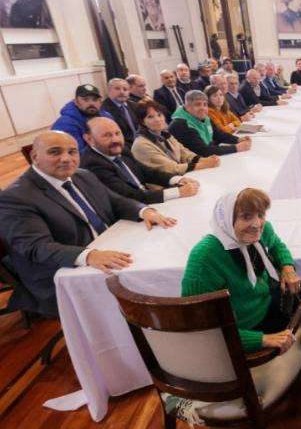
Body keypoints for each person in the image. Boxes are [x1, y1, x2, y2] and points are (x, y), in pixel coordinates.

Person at [0, 131, 176, 316]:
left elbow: (116, 201)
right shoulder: (16, 197)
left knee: (162, 257)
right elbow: (37, 248)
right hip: (63, 272)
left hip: (107, 247)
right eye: (55, 152)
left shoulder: (83, 175)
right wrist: (89, 255)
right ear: (34, 157)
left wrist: (143, 211)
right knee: (154, 285)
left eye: (72, 152)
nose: (67, 159)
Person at [182, 188, 301, 369]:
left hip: (265, 301)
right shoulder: (205, 257)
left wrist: (287, 268)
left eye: (261, 215)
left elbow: (277, 245)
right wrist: (260, 340)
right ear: (227, 219)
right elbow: (202, 328)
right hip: (244, 328)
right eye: (246, 217)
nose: (257, 224)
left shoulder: (261, 230)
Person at [81, 117, 199, 204]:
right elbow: (129, 195)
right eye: (107, 135)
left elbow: (145, 172)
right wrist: (178, 192)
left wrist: (178, 179)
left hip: (147, 201)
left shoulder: (121, 149)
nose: (115, 139)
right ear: (89, 139)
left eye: (117, 133)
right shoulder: (93, 164)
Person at [131, 99, 220, 175]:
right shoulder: (141, 145)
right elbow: (171, 168)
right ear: (142, 122)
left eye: (159, 115)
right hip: (164, 186)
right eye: (150, 117)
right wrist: (204, 164)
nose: (157, 119)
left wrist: (203, 160)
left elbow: (184, 152)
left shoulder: (164, 134)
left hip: (182, 177)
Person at [169, 90, 251, 157]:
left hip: (208, 156)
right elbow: (203, 151)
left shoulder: (203, 117)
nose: (202, 108)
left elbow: (218, 134)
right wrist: (236, 148)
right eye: (197, 104)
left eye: (205, 104)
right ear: (187, 107)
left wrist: (237, 139)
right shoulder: (180, 125)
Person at [52, 84, 114, 152]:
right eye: (86, 100)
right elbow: (77, 154)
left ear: (100, 102)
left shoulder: (107, 117)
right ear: (76, 102)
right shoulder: (65, 124)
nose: (91, 103)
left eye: (95, 100)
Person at [100, 78, 140, 149]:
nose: (122, 92)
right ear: (108, 91)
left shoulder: (134, 105)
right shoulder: (103, 110)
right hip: (122, 148)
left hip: (140, 144)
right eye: (117, 89)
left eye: (125, 89)